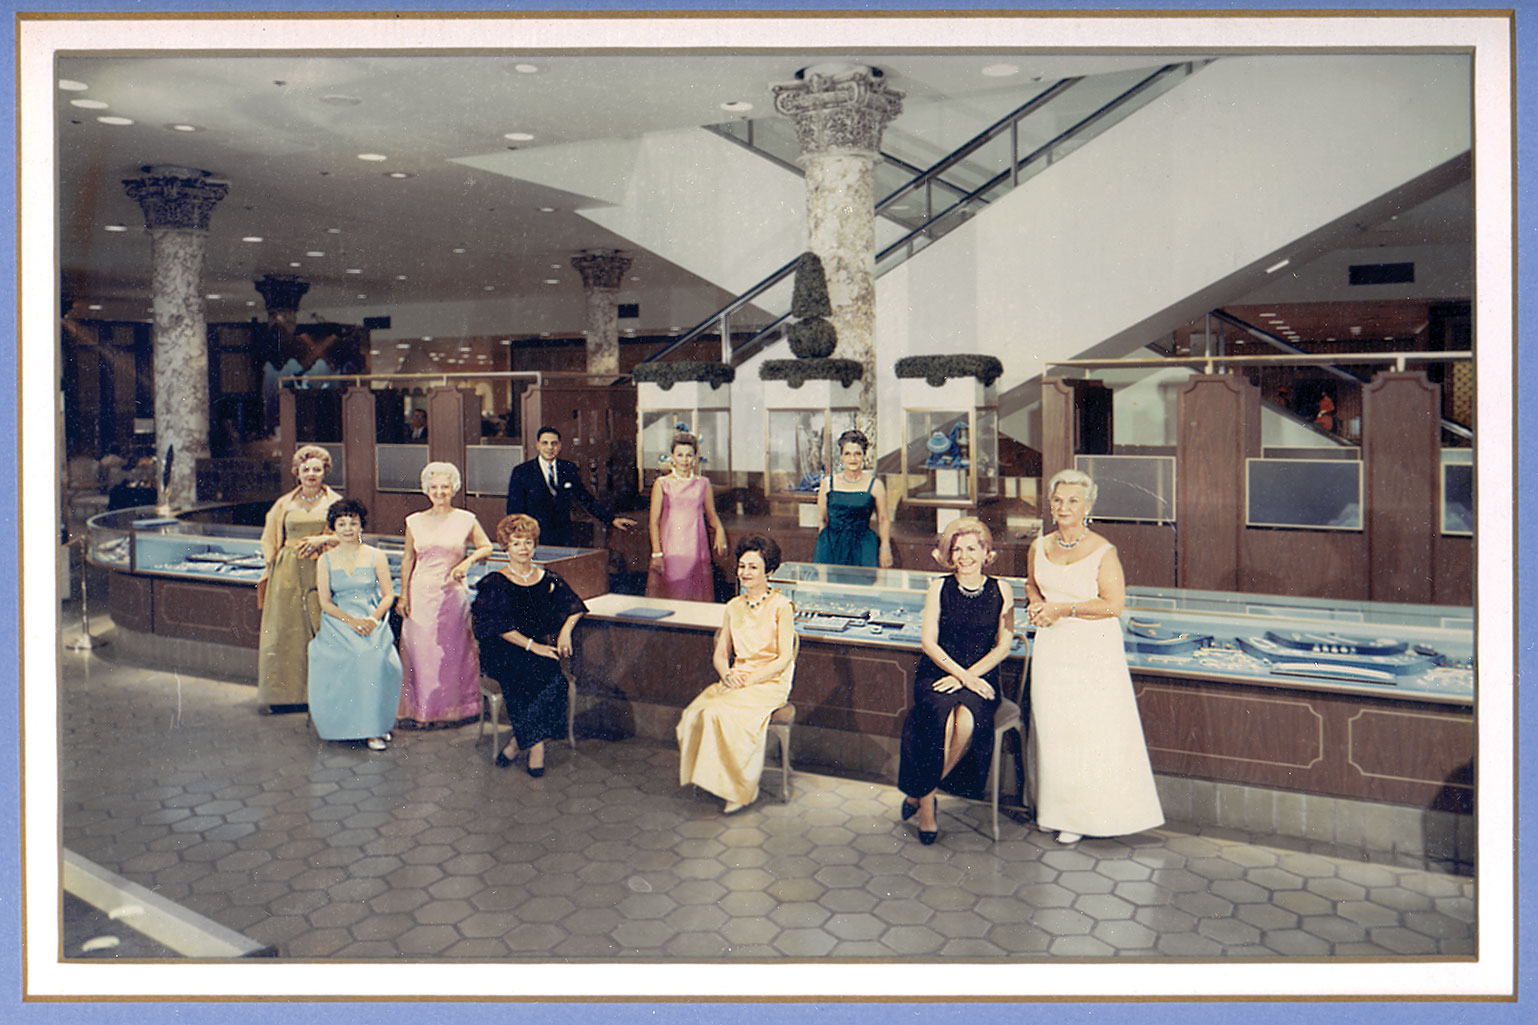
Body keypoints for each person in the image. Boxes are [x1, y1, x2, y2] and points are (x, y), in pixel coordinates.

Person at [1025, 468, 1163, 845]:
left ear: (1088, 507)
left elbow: (1114, 605)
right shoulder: (1039, 546)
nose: (1063, 507)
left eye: (1072, 500)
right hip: (1052, 649)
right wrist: (1038, 605)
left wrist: (1061, 610)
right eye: (1057, 500)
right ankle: (1054, 811)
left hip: (1093, 652)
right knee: (1054, 730)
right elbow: (1032, 585)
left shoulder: (1104, 551)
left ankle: (1084, 817)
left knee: (1087, 732)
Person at [896, 517, 1015, 845]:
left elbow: (1004, 644)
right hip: (939, 673)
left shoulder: (1001, 589)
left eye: (972, 549)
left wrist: (971, 677)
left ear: (986, 552)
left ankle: (920, 793)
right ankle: (927, 810)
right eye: (957, 549)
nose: (964, 556)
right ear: (949, 554)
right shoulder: (939, 587)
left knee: (965, 725)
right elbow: (928, 643)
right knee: (943, 723)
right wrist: (959, 675)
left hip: (981, 676)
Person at [676, 535, 797, 814]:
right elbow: (720, 653)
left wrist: (751, 680)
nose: (745, 573)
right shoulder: (733, 606)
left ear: (769, 571)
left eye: (753, 567)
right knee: (698, 713)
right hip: (737, 676)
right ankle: (714, 780)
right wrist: (728, 674)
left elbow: (784, 658)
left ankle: (740, 790)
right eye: (742, 566)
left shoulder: (782, 607)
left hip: (769, 681)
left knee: (725, 715)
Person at [471, 514, 588, 778]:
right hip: (506, 651)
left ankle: (516, 743)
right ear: (506, 547)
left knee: (556, 682)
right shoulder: (495, 583)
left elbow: (575, 606)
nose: (523, 548)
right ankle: (536, 749)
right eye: (516, 543)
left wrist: (565, 632)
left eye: (528, 542)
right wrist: (533, 646)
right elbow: (499, 627)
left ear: (534, 545)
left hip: (538, 649)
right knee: (525, 678)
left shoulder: (547, 578)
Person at [396, 461, 494, 728]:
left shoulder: (466, 519)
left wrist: (466, 563)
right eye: (434, 487)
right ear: (426, 490)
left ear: (454, 488)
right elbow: (407, 559)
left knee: (453, 653)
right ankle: (423, 711)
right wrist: (404, 597)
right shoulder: (414, 521)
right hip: (420, 593)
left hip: (451, 595)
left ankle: (457, 709)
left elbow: (486, 547)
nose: (440, 492)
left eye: (445, 486)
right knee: (420, 653)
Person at [307, 499, 402, 751]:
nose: (348, 528)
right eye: (342, 524)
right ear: (333, 528)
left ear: (361, 525)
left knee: (372, 657)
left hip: (372, 619)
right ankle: (348, 726)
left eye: (353, 523)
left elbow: (388, 595)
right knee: (355, 656)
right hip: (338, 623)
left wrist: (372, 619)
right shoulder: (325, 560)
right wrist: (351, 622)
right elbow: (325, 602)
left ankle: (376, 727)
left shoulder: (376, 555)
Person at [255, 444, 342, 711]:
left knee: (318, 630)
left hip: (321, 571)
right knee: (284, 631)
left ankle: (318, 695)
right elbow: (270, 537)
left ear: (325, 471)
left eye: (317, 469)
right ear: (297, 472)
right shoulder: (285, 503)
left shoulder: (335, 502)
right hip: (287, 574)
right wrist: (274, 564)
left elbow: (353, 536)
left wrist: (324, 539)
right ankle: (283, 696)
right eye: (306, 470)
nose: (312, 474)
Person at [505, 425, 637, 548]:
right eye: (545, 443)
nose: (550, 447)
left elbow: (586, 498)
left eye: (554, 443)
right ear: (537, 446)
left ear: (560, 446)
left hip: (563, 537)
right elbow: (514, 510)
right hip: (534, 538)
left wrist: (611, 519)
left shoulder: (568, 468)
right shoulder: (522, 472)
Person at [646, 432, 728, 602]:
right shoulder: (662, 483)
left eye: (689, 455)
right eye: (680, 455)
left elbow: (711, 515)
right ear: (672, 457)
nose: (684, 460)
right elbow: (653, 522)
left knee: (697, 595)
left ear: (695, 458)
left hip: (697, 548)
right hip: (671, 549)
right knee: (673, 593)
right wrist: (656, 553)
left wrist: (720, 531)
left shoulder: (703, 483)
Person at [812, 429, 893, 568]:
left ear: (864, 456)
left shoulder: (875, 485)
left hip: (863, 545)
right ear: (841, 457)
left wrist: (885, 547)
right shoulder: (828, 483)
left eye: (857, 454)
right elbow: (821, 519)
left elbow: (884, 519)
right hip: (831, 545)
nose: (852, 459)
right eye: (847, 454)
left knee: (864, 585)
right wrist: (824, 546)